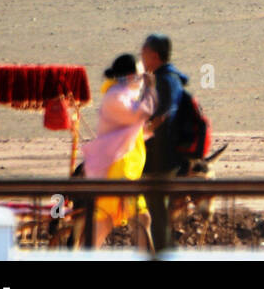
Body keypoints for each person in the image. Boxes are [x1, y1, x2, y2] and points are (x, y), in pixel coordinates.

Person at [81, 54, 156, 250]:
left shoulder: (122, 96)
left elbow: (135, 128)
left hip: (121, 170)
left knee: (104, 223)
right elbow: (141, 114)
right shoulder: (116, 97)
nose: (144, 78)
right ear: (130, 76)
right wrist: (151, 88)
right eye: (141, 75)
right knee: (141, 218)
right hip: (118, 171)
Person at [141, 33, 189, 250]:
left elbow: (161, 116)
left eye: (143, 53)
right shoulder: (174, 77)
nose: (141, 58)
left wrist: (141, 132)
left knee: (157, 216)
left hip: (160, 158)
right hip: (171, 157)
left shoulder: (163, 80)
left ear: (153, 55)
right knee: (159, 214)